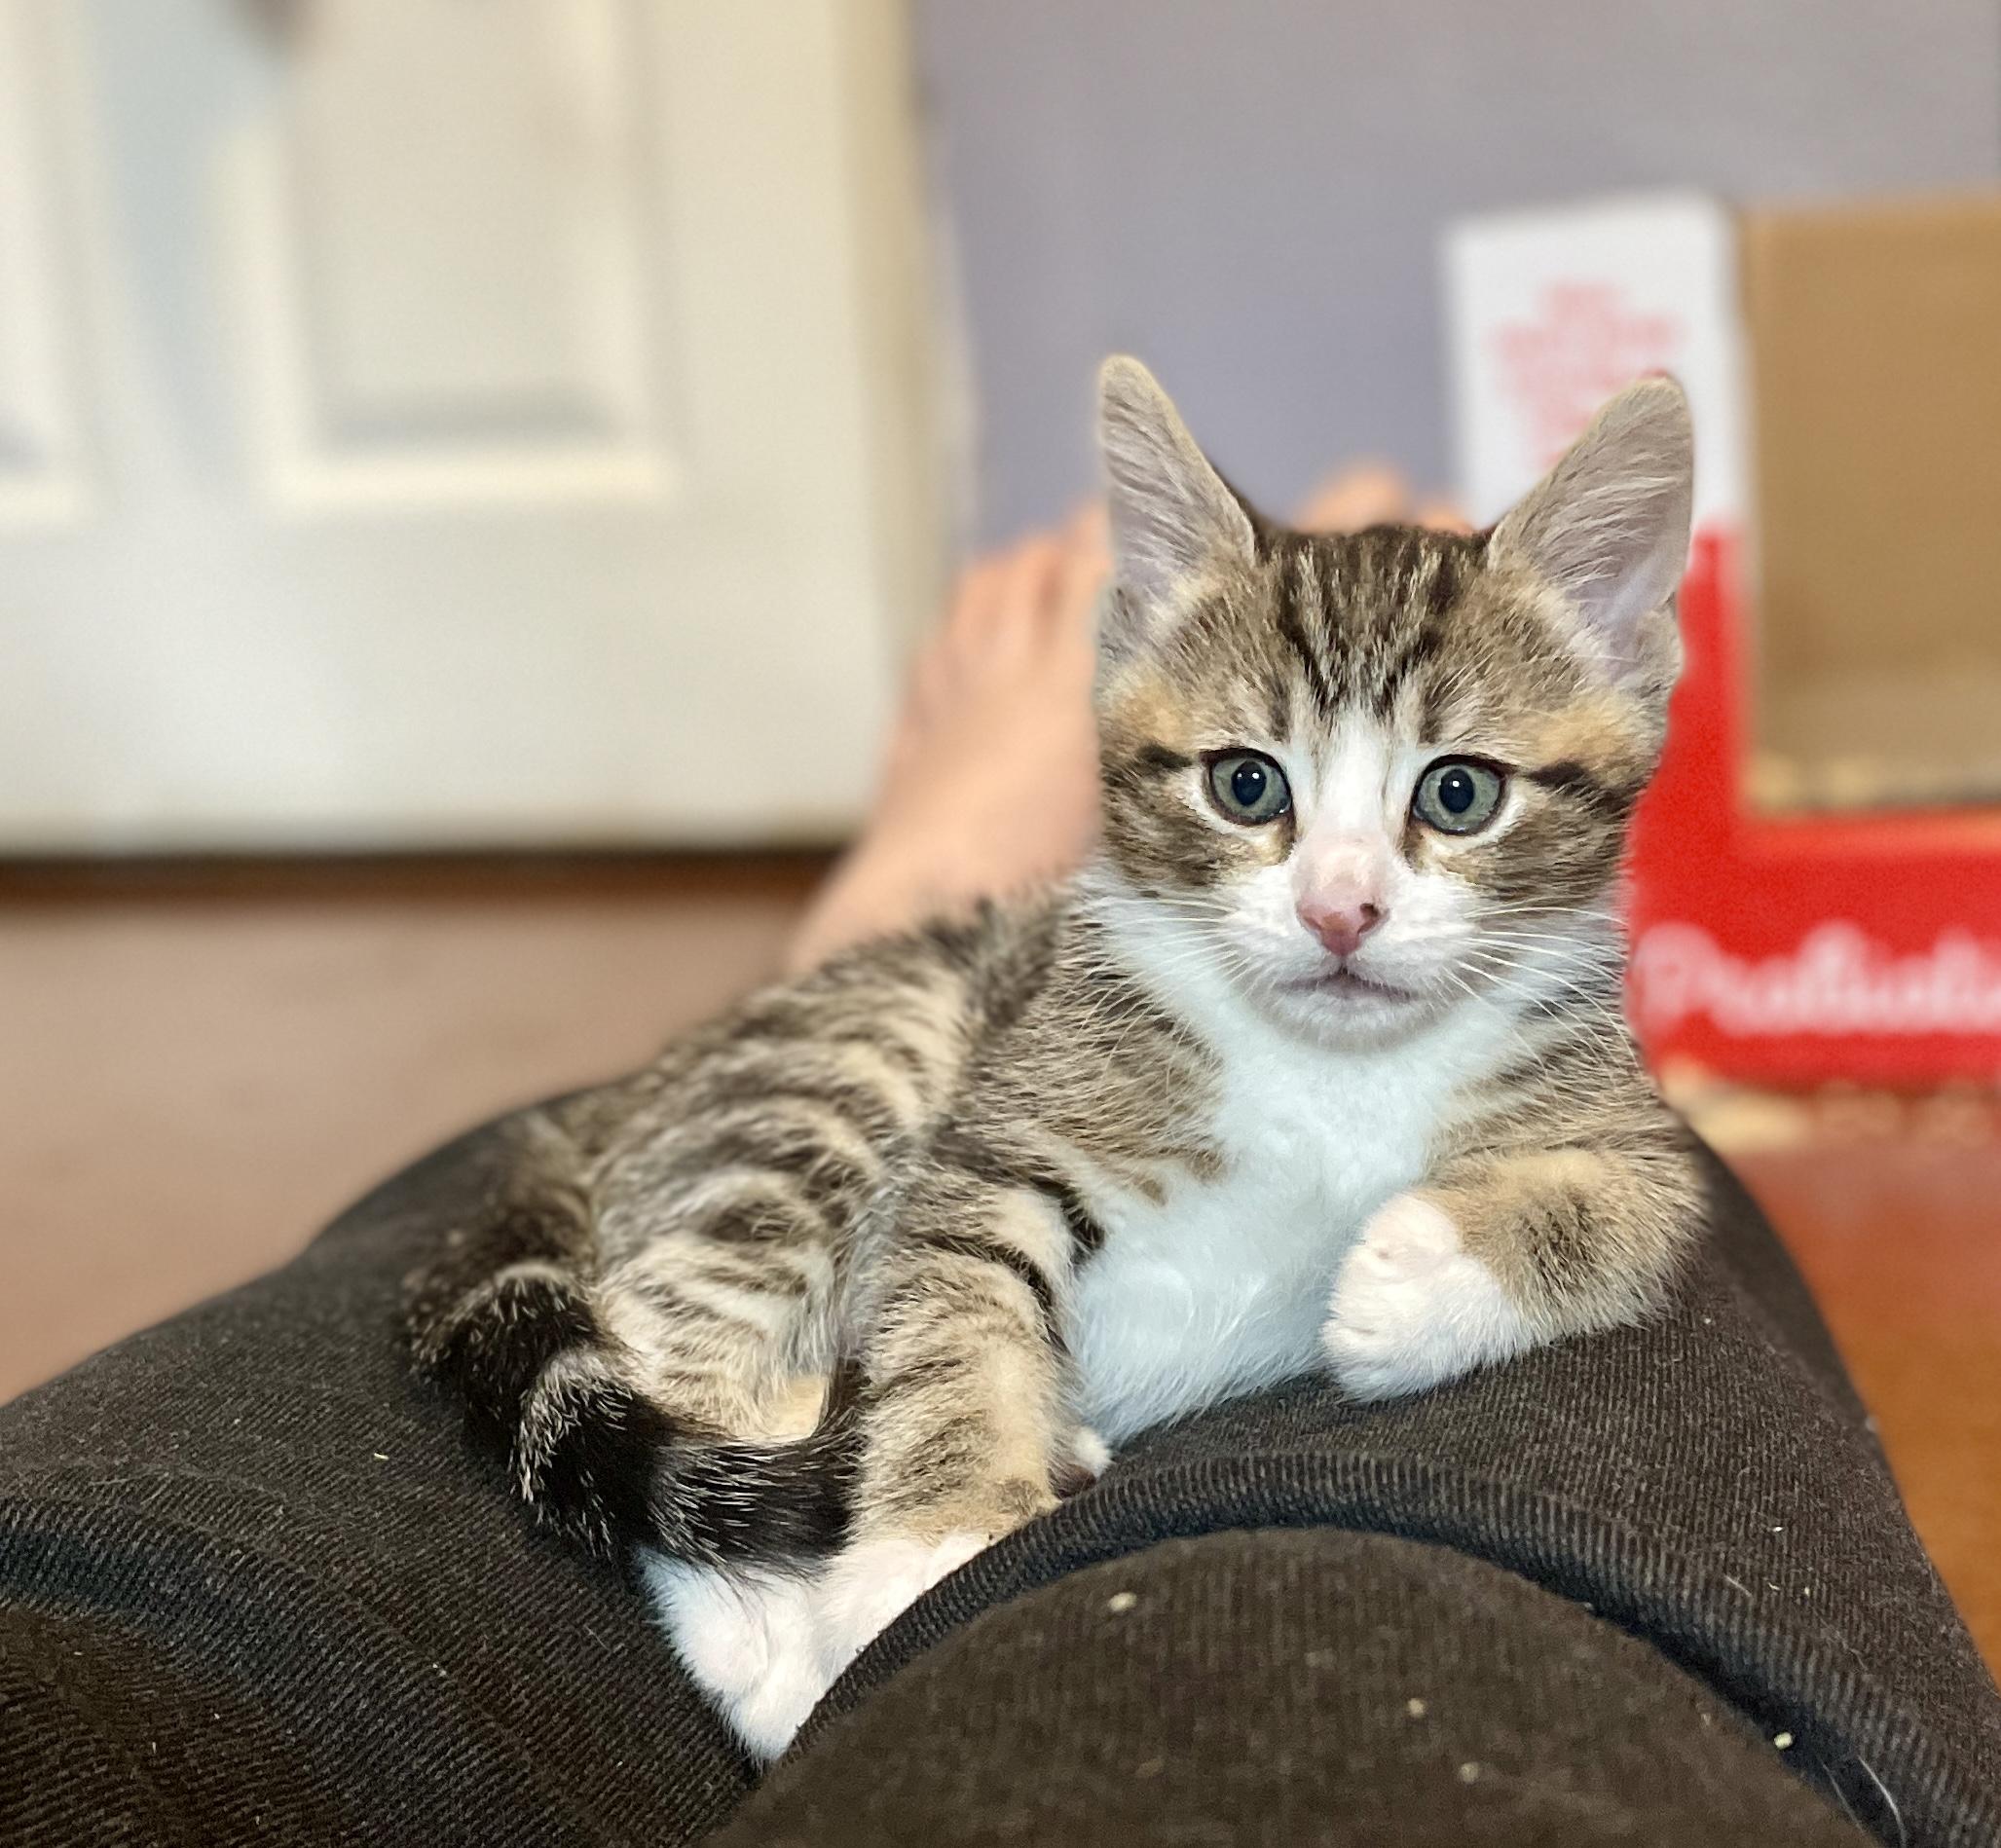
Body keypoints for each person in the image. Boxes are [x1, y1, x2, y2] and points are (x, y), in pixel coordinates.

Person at [2, 471, 1996, 1847]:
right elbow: (969, 1204)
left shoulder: (1545, 1034)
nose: (1341, 896)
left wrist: (1514, 1245)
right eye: (1248, 782)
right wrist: (929, 1489)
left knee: (163, 1602)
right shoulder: (1119, 1000)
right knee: (892, 1045)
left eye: (1453, 794)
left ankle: (892, 905)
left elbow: (1619, 1196)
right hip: (967, 1139)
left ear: (1620, 674)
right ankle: (872, 998)